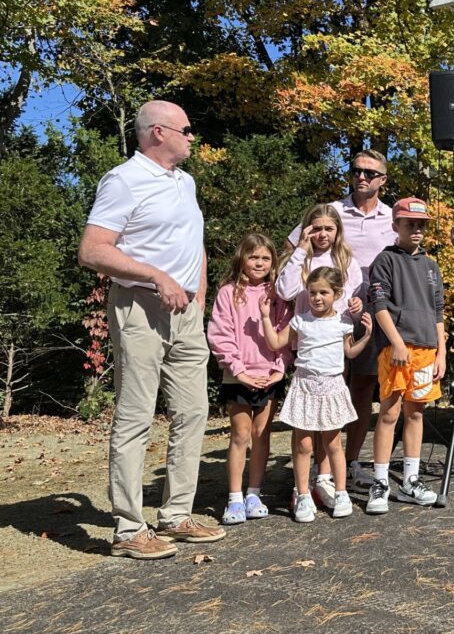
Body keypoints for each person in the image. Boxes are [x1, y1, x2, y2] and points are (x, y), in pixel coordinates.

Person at [78, 100, 225, 559]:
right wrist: (154, 275)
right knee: (136, 415)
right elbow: (93, 250)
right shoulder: (124, 180)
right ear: (158, 133)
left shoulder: (186, 182)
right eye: (186, 129)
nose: (192, 136)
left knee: (193, 411)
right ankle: (127, 529)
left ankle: (176, 514)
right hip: (139, 307)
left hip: (185, 313)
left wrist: (198, 295)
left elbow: (193, 242)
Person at [286, 150, 395, 497]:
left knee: (361, 390)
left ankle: (347, 464)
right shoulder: (332, 212)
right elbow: (294, 248)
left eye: (369, 172)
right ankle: (321, 474)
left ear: (382, 180)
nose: (361, 176)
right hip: (319, 323)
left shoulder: (391, 218)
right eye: (356, 170)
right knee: (323, 392)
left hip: (362, 318)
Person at [261, 267, 374, 522]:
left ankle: (341, 492)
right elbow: (275, 343)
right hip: (304, 386)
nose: (317, 297)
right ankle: (303, 495)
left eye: (323, 292)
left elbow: (350, 353)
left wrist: (366, 335)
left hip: (332, 386)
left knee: (332, 443)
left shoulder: (343, 322)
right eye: (312, 292)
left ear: (336, 294)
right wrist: (266, 317)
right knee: (303, 444)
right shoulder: (300, 320)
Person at [278, 204, 363, 509]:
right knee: (305, 425)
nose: (323, 234)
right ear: (307, 230)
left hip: (333, 347)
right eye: (317, 228)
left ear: (337, 230)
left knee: (329, 426)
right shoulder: (301, 257)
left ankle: (325, 480)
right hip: (306, 345)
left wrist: (355, 308)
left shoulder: (345, 259)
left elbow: (348, 298)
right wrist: (300, 250)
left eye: (329, 228)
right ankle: (303, 490)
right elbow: (285, 291)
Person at [365, 197, 447, 514]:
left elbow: (439, 312)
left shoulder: (431, 266)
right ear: (396, 225)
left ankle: (411, 481)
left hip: (427, 350)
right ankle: (380, 481)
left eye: (421, 225)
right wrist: (396, 342)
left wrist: (441, 352)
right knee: (389, 412)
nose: (416, 230)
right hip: (396, 350)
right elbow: (379, 305)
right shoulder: (385, 261)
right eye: (410, 224)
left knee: (416, 412)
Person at [206, 233, 290, 525]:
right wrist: (238, 370)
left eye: (265, 258)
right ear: (241, 258)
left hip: (270, 375)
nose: (259, 263)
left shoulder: (277, 295)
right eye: (253, 257)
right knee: (240, 434)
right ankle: (234, 498)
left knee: (261, 435)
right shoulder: (228, 293)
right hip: (237, 377)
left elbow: (286, 333)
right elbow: (220, 334)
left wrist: (280, 366)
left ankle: (254, 493)